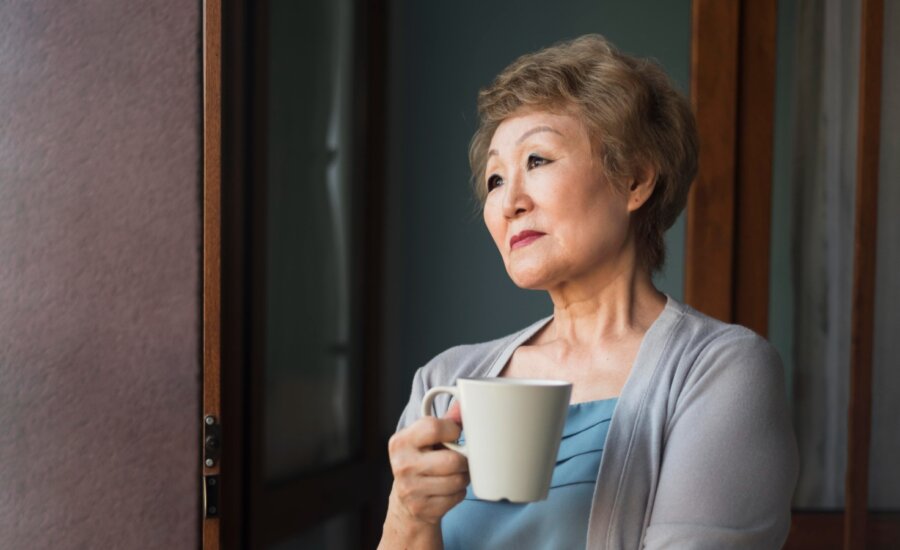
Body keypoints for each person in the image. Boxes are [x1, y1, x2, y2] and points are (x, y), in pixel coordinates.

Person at [378, 34, 798, 549]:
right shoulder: (444, 381)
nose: (509, 202)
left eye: (538, 160)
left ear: (635, 180)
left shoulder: (721, 372)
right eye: (493, 179)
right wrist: (407, 517)